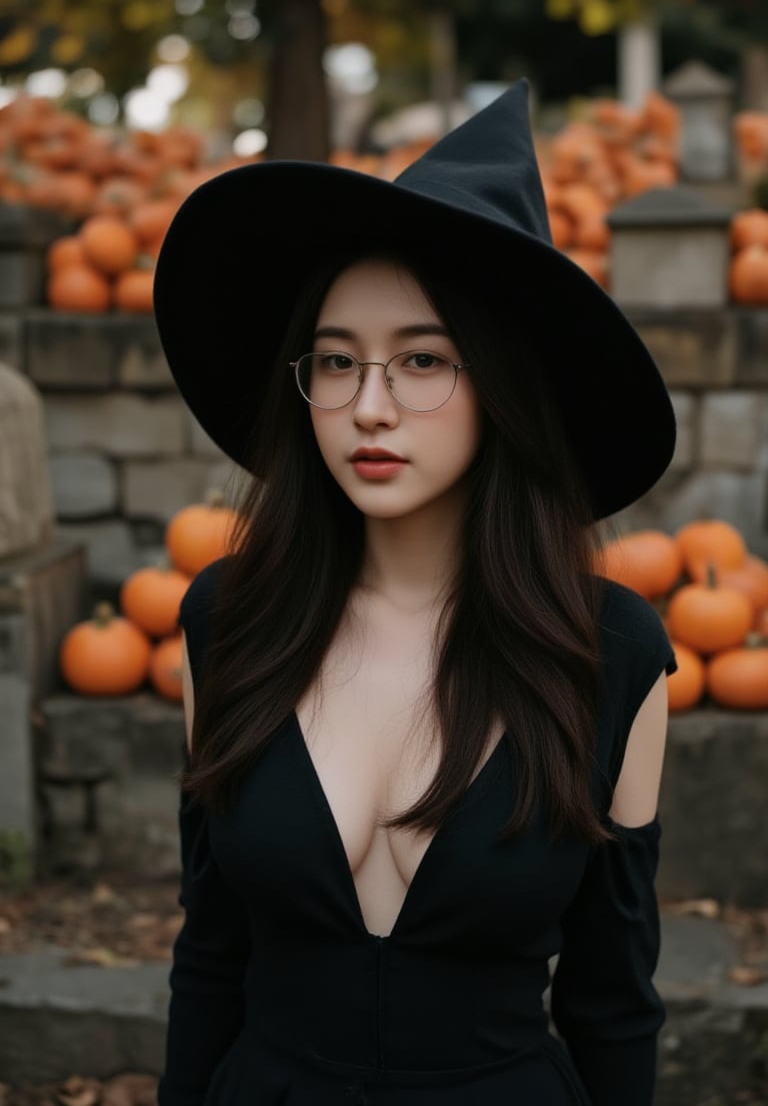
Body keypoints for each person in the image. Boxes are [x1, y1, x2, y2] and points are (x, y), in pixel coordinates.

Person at [152, 78, 677, 1106]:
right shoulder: (227, 624)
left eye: (423, 360)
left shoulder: (609, 654)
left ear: (503, 389)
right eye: (337, 362)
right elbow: (210, 958)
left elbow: (613, 1003)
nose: (369, 407)